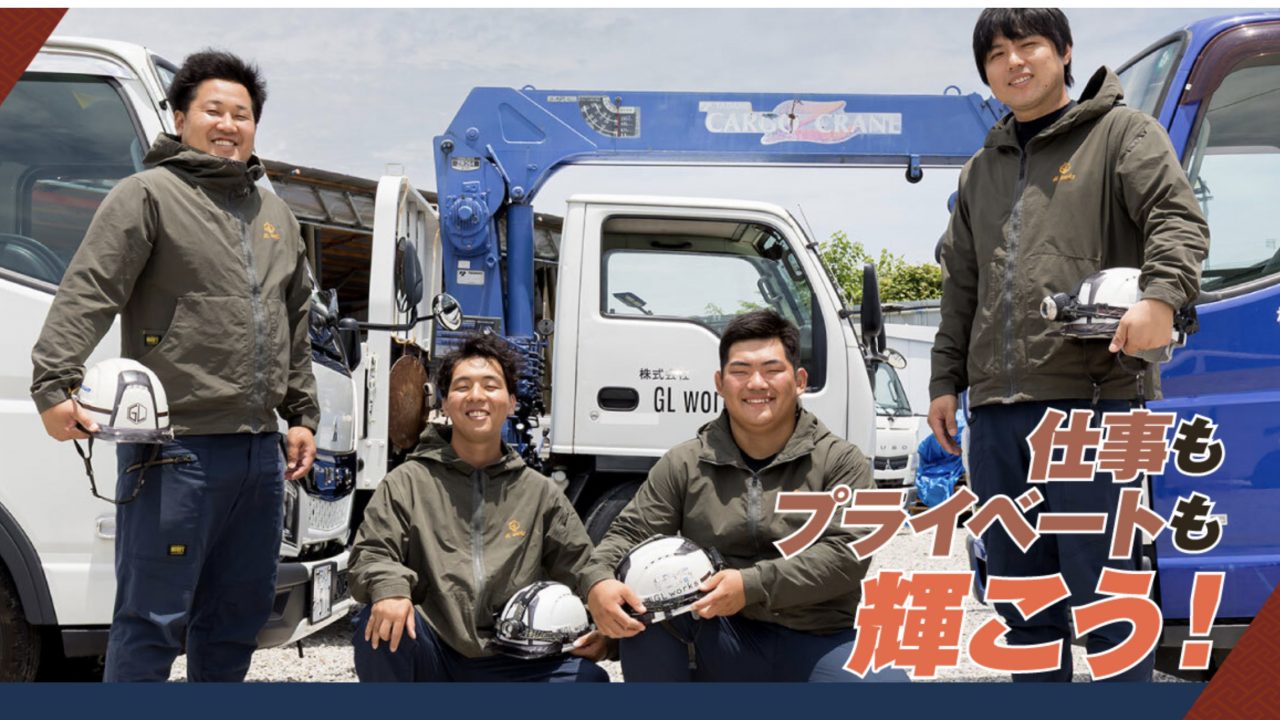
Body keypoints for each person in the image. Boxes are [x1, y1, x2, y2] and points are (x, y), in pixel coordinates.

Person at [929, 8, 1209, 682]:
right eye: (996, 53)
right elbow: (961, 282)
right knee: (1023, 602)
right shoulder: (980, 171)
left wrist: (1161, 296)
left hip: (1096, 404)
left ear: (1064, 52)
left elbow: (1176, 217)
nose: (1014, 62)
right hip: (997, 417)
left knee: (1111, 600)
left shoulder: (1121, 135)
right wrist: (944, 380)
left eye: (1028, 45)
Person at [30, 50, 319, 681]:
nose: (228, 124)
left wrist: (301, 414)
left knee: (236, 621)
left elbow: (294, 319)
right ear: (180, 118)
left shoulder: (276, 216)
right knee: (152, 620)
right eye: (214, 110)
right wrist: (53, 384)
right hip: (175, 449)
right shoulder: (147, 196)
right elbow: (91, 289)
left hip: (259, 455)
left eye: (242, 114)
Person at [583, 309, 906, 682]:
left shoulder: (841, 461)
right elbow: (629, 533)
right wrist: (598, 581)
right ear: (720, 383)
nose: (756, 383)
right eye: (740, 371)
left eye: (772, 370)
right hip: (719, 635)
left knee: (889, 687)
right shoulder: (685, 462)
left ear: (800, 381)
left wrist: (750, 585)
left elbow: (847, 556)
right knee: (650, 614)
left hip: (818, 637)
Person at [348, 332, 609, 682]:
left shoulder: (539, 492)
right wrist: (391, 590)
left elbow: (581, 563)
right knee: (379, 623)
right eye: (462, 386)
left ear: (511, 402)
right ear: (444, 404)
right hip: (433, 651)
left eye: (490, 385)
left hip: (512, 657)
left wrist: (602, 609)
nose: (476, 396)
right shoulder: (407, 482)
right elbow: (371, 554)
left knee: (588, 681)